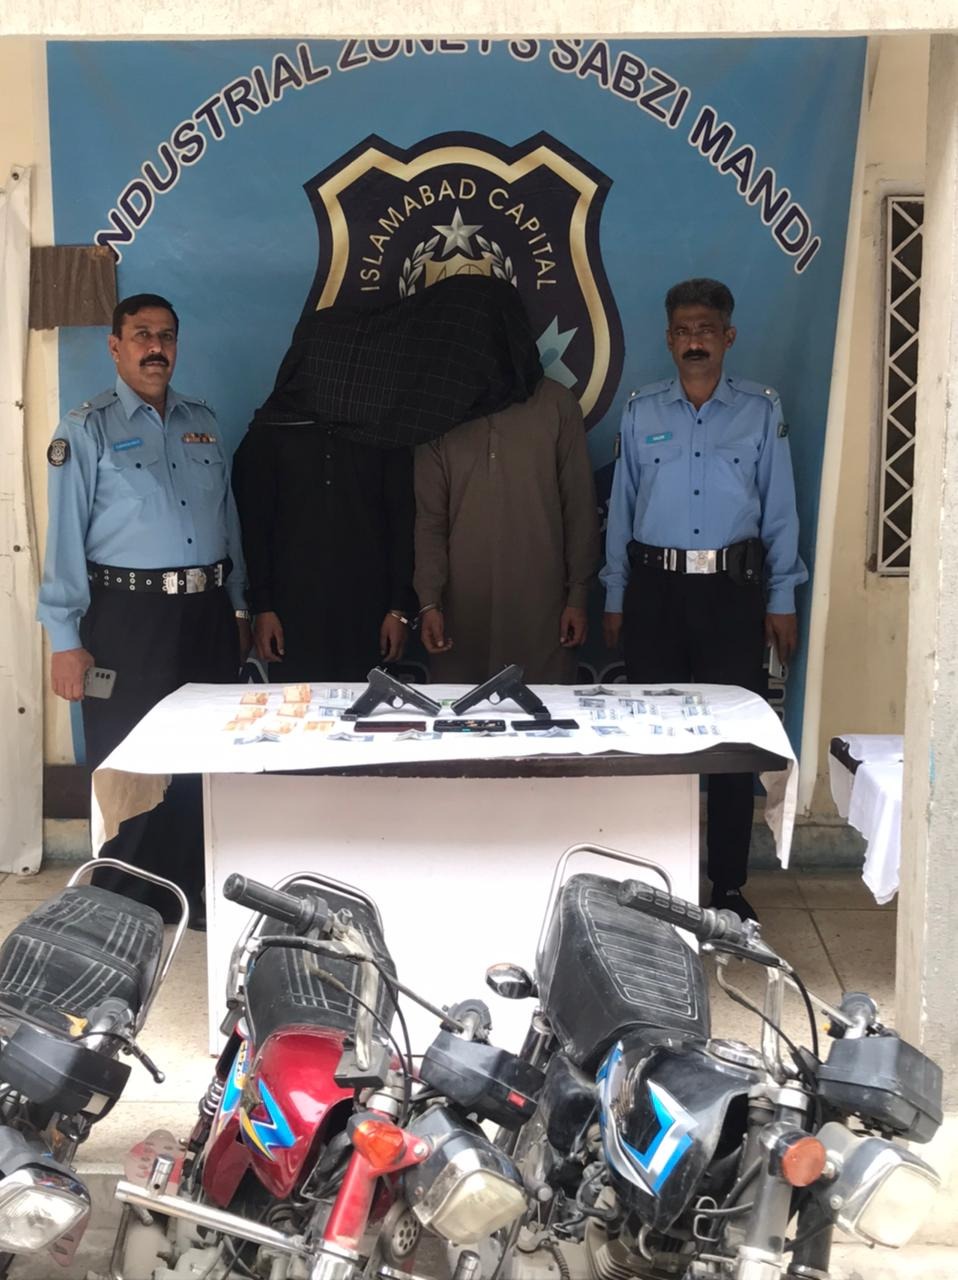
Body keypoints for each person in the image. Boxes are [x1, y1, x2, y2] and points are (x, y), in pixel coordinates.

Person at [37, 293, 249, 928]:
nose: (156, 348)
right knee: (129, 758)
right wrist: (63, 638)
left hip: (206, 613)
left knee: (202, 757)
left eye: (166, 336)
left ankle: (191, 890)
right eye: (141, 335)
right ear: (115, 346)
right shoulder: (85, 430)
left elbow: (227, 521)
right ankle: (121, 902)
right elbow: (64, 540)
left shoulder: (202, 422)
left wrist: (239, 606)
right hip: (127, 619)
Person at [601, 278, 807, 919]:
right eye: (684, 332)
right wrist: (615, 594)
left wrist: (782, 597)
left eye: (707, 331)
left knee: (728, 746)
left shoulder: (760, 411)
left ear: (728, 337)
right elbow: (621, 510)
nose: (695, 342)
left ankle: (729, 888)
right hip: (655, 592)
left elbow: (780, 511)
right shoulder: (642, 411)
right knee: (654, 740)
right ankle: (655, 879)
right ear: (669, 339)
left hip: (731, 594)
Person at [414, 319, 601, 685]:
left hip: (543, 611)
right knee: (459, 713)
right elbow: (429, 521)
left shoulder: (555, 405)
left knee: (544, 712)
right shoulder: (439, 414)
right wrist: (429, 602)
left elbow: (579, 509)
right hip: (460, 616)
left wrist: (578, 596)